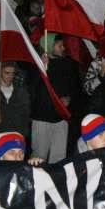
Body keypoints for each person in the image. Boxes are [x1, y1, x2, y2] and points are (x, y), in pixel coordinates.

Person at [30, 34, 79, 163]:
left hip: (61, 118)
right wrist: (41, 68)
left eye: (63, 45)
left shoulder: (67, 64)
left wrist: (69, 99)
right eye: (59, 46)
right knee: (39, 157)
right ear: (49, 47)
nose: (63, 48)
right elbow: (32, 89)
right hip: (42, 119)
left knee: (59, 158)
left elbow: (74, 87)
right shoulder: (37, 64)